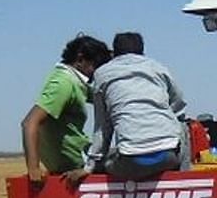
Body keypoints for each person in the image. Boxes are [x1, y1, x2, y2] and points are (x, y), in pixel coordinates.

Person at [79, 31, 187, 181]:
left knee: (106, 162)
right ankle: (185, 177)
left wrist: (90, 166)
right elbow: (179, 104)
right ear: (142, 51)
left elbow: (102, 128)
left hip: (132, 161)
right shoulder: (158, 68)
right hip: (168, 157)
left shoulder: (102, 74)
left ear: (114, 53)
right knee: (184, 125)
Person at [21, 35, 111, 186]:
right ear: (81, 59)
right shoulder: (64, 83)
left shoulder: (75, 81)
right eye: (95, 66)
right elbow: (29, 122)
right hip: (77, 161)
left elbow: (100, 96)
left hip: (79, 156)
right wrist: (33, 168)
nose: (97, 73)